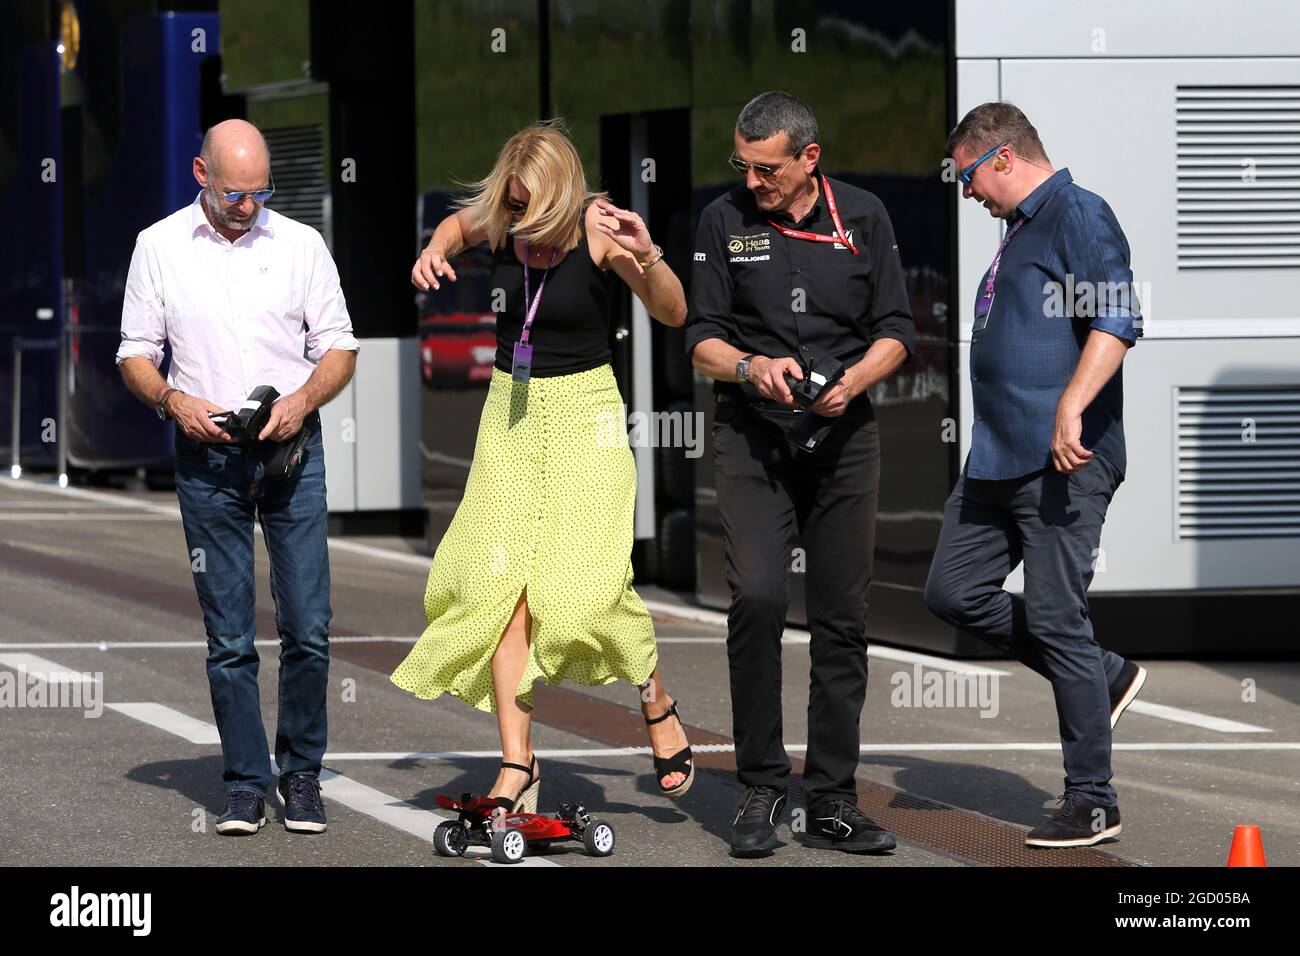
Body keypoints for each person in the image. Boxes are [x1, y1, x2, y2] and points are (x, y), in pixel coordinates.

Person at [390, 120, 695, 814]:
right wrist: (433, 252)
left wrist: (650, 257)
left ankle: (656, 697)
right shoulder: (503, 215)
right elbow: (453, 227)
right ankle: (517, 766)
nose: (519, 216)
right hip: (511, 414)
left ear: (562, 193)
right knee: (496, 586)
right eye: (512, 203)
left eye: (530, 204)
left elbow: (674, 313)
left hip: (585, 414)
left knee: (583, 595)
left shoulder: (600, 230)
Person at [686, 91, 915, 856]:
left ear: (808, 158)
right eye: (742, 165)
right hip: (753, 439)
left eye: (767, 168)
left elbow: (897, 332)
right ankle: (759, 787)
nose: (753, 181)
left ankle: (831, 801)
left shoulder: (867, 218)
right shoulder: (723, 220)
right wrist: (752, 367)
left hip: (845, 438)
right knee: (756, 596)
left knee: (842, 618)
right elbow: (701, 341)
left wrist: (852, 381)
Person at [116, 119, 360, 835]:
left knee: (309, 627)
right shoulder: (157, 247)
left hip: (292, 453)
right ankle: (247, 782)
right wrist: (170, 398)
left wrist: (303, 400)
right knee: (229, 639)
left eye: (259, 194)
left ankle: (303, 772)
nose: (248, 207)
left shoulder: (301, 245)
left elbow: (341, 346)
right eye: (234, 194)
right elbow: (134, 352)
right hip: (209, 457)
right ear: (200, 173)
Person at [923, 102, 1147, 848]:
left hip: (1062, 459)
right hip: (996, 460)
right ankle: (1102, 673)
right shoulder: (1021, 229)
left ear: (1004, 158)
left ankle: (1093, 799)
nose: (967, 193)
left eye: (968, 177)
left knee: (1055, 618)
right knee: (952, 592)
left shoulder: (1078, 214)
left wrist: (1072, 408)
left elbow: (1118, 320)